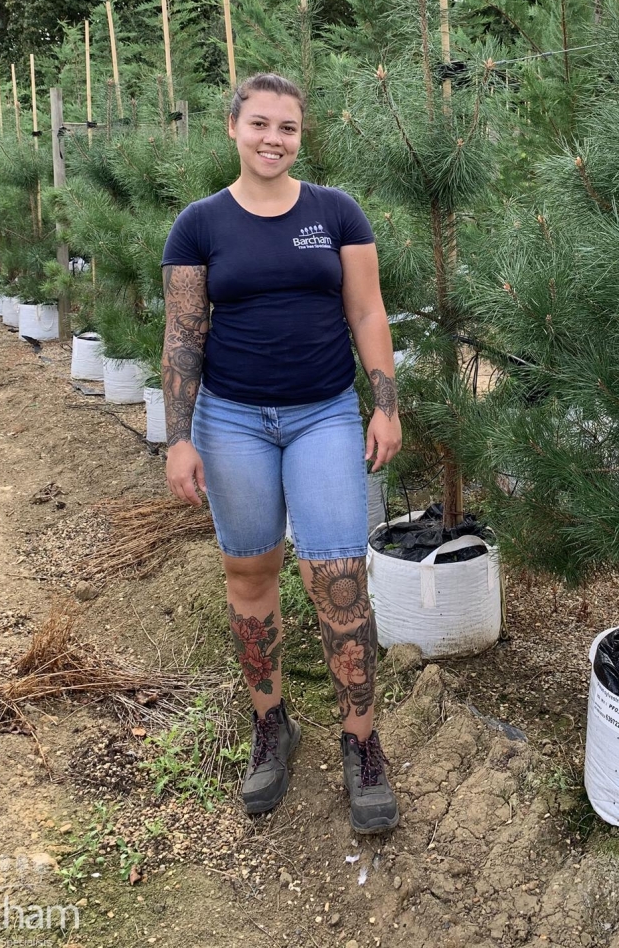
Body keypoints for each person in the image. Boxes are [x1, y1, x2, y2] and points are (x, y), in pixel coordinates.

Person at [160, 71, 402, 833]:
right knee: (250, 570)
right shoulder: (198, 225)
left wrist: (385, 403)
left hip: (323, 414)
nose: (273, 138)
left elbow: (367, 311)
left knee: (337, 574)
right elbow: (183, 335)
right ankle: (272, 723)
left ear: (302, 135)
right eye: (259, 123)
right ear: (232, 127)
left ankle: (362, 740)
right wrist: (178, 436)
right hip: (231, 420)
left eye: (287, 127)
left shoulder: (336, 213)